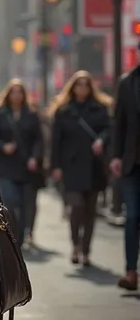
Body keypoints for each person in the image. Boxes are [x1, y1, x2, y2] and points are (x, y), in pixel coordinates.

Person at [50, 71, 111, 267]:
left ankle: (86, 251)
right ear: (72, 87)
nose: (82, 88)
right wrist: (56, 166)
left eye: (86, 85)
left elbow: (110, 129)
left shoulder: (100, 109)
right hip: (72, 166)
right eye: (79, 85)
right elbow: (56, 141)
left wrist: (102, 140)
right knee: (76, 208)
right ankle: (75, 245)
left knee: (91, 211)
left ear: (91, 87)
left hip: (94, 166)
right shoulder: (64, 110)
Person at [0, 79, 44, 247]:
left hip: (26, 167)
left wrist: (35, 157)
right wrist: (3, 146)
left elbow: (39, 140)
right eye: (13, 91)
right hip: (5, 166)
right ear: (8, 94)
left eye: (20, 91)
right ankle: (13, 235)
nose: (17, 95)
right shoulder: (0, 114)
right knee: (10, 201)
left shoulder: (31, 115)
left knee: (26, 205)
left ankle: (20, 238)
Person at [110, 41, 140, 291]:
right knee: (132, 217)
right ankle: (131, 271)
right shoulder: (127, 82)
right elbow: (117, 123)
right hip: (131, 163)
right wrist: (115, 156)